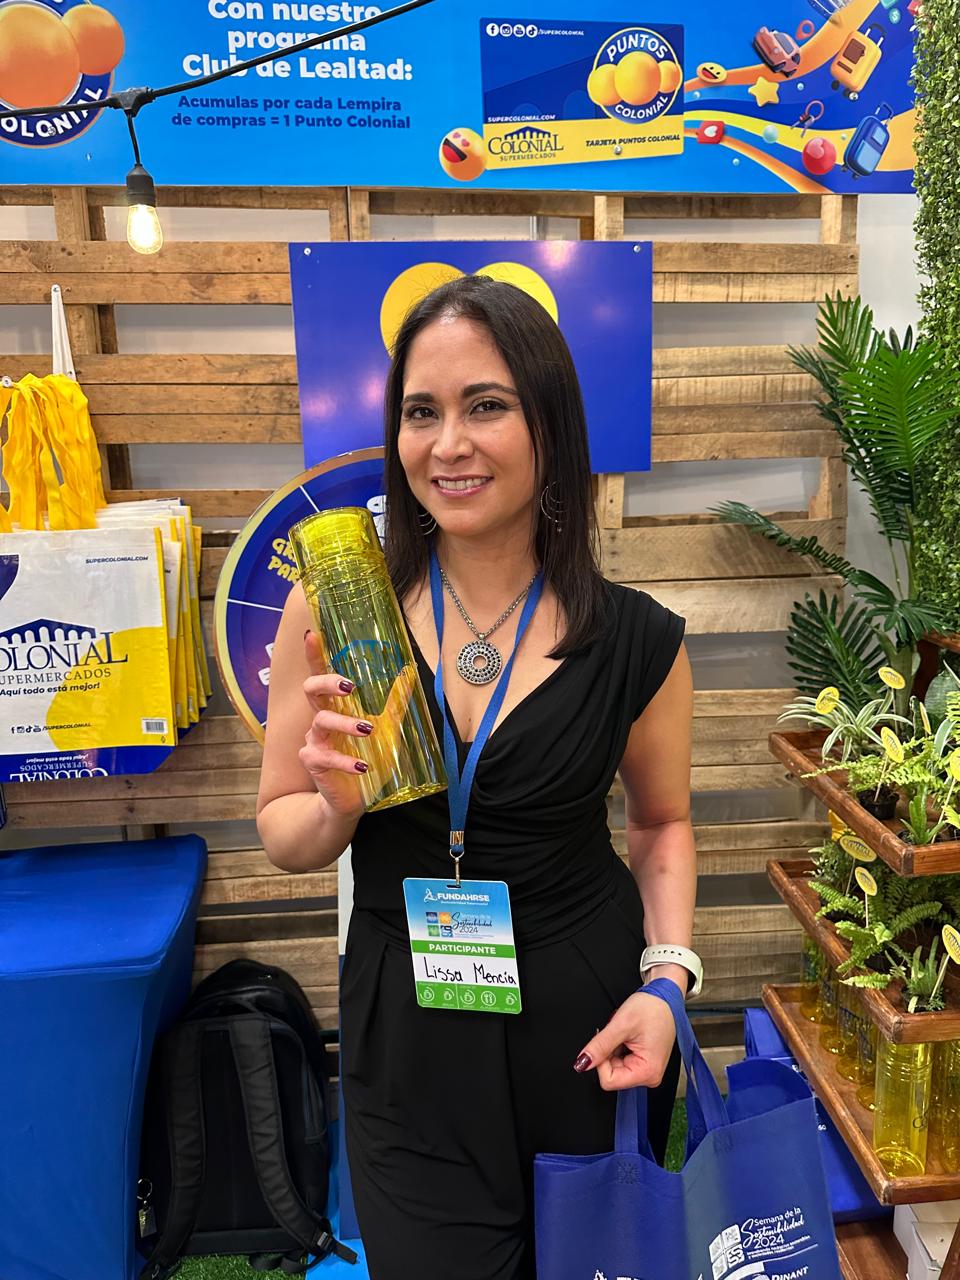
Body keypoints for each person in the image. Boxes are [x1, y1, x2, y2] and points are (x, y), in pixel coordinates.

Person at [257, 274, 697, 1280]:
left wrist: (668, 986)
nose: (447, 443)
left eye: (485, 405)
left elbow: (662, 825)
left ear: (550, 425)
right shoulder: (335, 613)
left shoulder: (636, 639)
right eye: (421, 412)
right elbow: (281, 828)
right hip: (409, 1032)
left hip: (589, 1022)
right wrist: (336, 807)